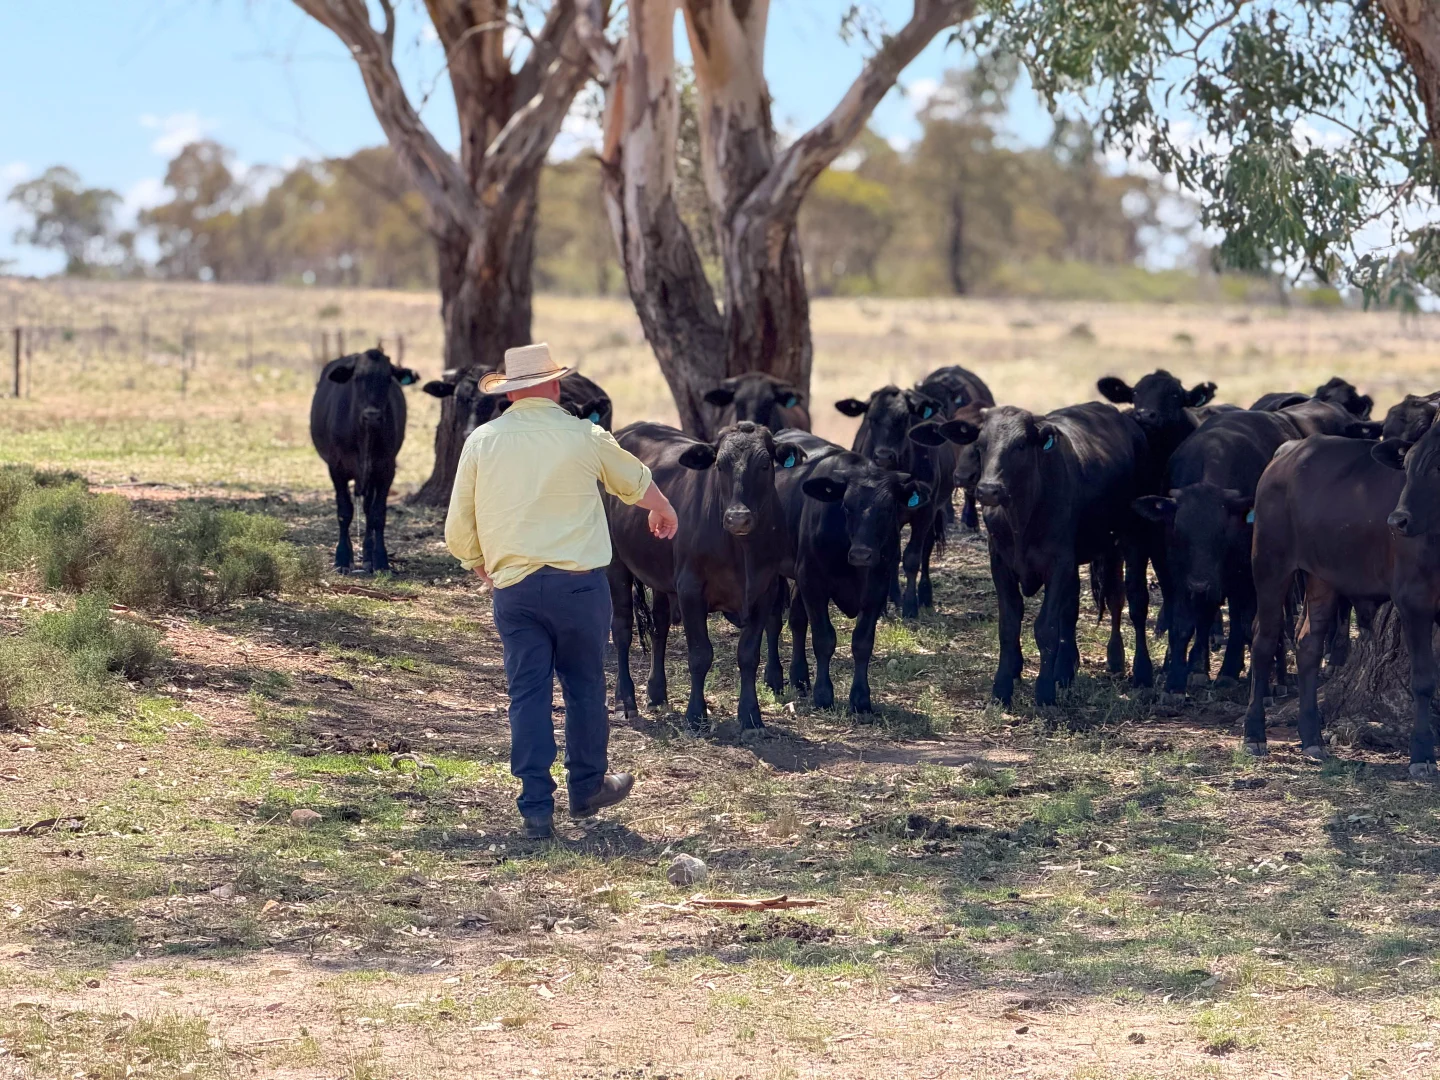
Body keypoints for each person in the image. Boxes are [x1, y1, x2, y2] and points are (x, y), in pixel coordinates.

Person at [444, 343, 678, 839]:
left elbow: (459, 525)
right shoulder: (584, 435)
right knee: (584, 685)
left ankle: (535, 807)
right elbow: (635, 480)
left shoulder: (482, 442)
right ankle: (588, 786)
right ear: (553, 386)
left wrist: (479, 564)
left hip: (516, 588)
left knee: (526, 694)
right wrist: (664, 509)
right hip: (579, 589)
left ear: (510, 394)